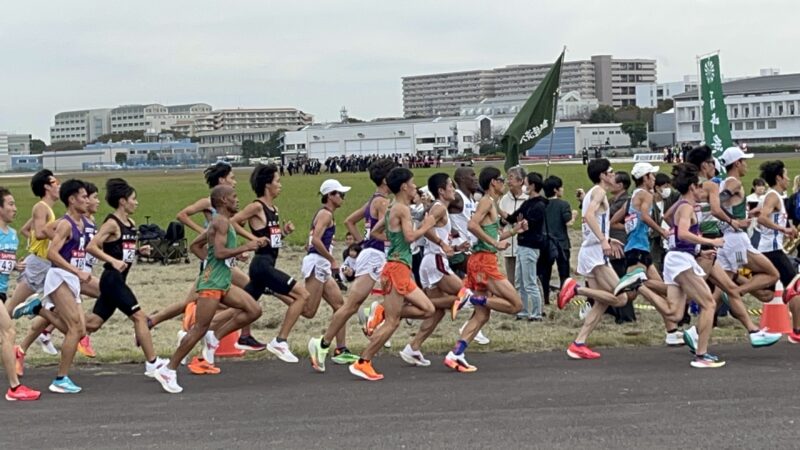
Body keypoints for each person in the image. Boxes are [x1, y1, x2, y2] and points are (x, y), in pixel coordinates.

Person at [154, 185, 263, 394]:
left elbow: (195, 246)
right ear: (223, 200)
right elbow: (220, 252)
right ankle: (169, 369)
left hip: (221, 281)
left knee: (254, 310)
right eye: (234, 196)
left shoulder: (222, 223)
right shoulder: (220, 222)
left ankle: (215, 337)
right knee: (199, 328)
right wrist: (245, 248)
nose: (237, 200)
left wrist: (214, 261)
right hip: (212, 284)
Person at [348, 167, 442, 381]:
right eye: (412, 182)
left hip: (398, 267)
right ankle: (363, 362)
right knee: (393, 323)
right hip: (397, 268)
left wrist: (394, 241)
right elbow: (410, 237)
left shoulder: (392, 208)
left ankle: (382, 311)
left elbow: (375, 232)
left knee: (427, 308)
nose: (414, 186)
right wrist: (427, 224)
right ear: (403, 186)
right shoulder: (402, 209)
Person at [306, 159, 394, 373]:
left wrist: (362, 244)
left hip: (371, 254)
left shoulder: (374, 199)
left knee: (349, 305)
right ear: (385, 179)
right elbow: (385, 233)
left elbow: (349, 221)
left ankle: (329, 343)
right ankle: (373, 315)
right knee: (353, 305)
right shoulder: (382, 202)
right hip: (376, 256)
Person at [557, 159, 646, 360]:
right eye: (611, 171)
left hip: (592, 250)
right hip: (595, 253)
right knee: (621, 297)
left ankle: (578, 343)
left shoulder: (592, 192)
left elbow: (592, 220)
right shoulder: (599, 192)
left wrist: (607, 238)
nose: (614, 175)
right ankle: (575, 289)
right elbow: (588, 216)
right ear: (603, 175)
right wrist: (604, 241)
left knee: (602, 301)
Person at [83, 178, 167, 377]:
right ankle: (152, 363)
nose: (136, 203)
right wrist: (111, 261)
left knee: (93, 324)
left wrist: (139, 251)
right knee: (139, 317)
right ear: (122, 201)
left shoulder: (131, 223)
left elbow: (123, 250)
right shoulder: (112, 223)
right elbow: (92, 246)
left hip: (119, 279)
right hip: (112, 279)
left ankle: (47, 313)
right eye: (133, 199)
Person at [446, 166, 526, 372]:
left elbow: (493, 237)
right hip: (484, 262)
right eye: (502, 179)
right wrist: (495, 243)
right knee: (516, 305)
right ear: (493, 182)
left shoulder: (490, 203)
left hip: (479, 260)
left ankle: (456, 354)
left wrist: (515, 231)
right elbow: (472, 226)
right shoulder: (487, 202)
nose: (505, 182)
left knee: (482, 316)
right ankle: (471, 298)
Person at [232, 164, 310, 363]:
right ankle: (280, 341)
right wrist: (251, 239)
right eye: (277, 181)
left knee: (242, 310)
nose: (280, 185)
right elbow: (232, 222)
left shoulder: (274, 209)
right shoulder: (257, 206)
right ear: (267, 185)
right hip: (261, 265)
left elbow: (270, 240)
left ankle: (210, 334)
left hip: (267, 264)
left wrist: (283, 233)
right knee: (302, 295)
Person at [399, 173, 468, 366]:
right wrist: (441, 243)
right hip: (435, 261)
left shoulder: (441, 208)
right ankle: (402, 308)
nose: (453, 189)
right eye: (450, 186)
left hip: (432, 261)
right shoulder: (439, 208)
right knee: (464, 294)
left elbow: (437, 234)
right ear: (441, 191)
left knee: (436, 312)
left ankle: (413, 347)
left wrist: (453, 247)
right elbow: (424, 227)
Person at [661, 164, 725, 367]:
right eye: (699, 188)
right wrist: (710, 242)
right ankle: (701, 354)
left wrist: (698, 251)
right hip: (680, 261)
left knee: (675, 314)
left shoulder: (681, 205)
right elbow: (682, 233)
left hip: (677, 257)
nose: (702, 192)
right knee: (709, 304)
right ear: (692, 188)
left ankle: (641, 285)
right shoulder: (687, 206)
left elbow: (669, 219)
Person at [614, 162, 682, 346]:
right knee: (631, 293)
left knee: (664, 290)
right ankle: (587, 294)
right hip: (637, 248)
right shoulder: (646, 194)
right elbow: (644, 216)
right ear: (644, 178)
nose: (654, 179)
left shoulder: (633, 197)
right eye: (651, 176)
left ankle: (672, 332)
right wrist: (661, 230)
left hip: (640, 247)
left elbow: (614, 221)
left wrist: (632, 228)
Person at [5, 170, 61, 376]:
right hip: (38, 265)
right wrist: (61, 238)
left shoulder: (46, 209)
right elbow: (38, 231)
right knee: (8, 309)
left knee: (60, 308)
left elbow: (27, 231)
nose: (59, 185)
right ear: (47, 186)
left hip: (46, 264)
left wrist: (38, 243)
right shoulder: (41, 206)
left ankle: (31, 340)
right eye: (56, 181)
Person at [300, 179, 355, 367]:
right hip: (317, 264)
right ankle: (277, 288)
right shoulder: (325, 214)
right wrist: (331, 260)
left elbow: (311, 240)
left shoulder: (325, 214)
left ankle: (341, 349)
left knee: (341, 306)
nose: (343, 198)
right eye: (341, 194)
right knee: (308, 311)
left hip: (320, 264)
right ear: (330, 195)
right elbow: (315, 240)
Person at [0, 187, 41, 401]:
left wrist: (16, 266)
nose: (15, 209)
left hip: (2, 291)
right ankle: (14, 388)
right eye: (10, 204)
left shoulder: (13, 236)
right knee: (8, 333)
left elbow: (4, 263)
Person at [755, 161, 800, 343]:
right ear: (778, 178)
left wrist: (786, 231)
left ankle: (736, 286)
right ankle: (796, 331)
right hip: (771, 250)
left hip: (773, 249)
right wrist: (784, 230)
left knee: (766, 294)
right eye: (786, 175)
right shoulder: (773, 196)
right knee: (795, 287)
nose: (789, 179)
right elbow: (762, 219)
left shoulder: (777, 197)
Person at [447, 166, 490, 345]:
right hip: (459, 252)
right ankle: (471, 325)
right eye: (472, 175)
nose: (476, 178)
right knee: (485, 286)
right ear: (462, 179)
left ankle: (470, 324)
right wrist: (450, 230)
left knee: (433, 303)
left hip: (468, 250)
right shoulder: (457, 196)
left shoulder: (470, 198)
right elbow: (436, 207)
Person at [505, 172, 547, 321]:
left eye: (526, 183)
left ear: (532, 185)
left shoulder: (539, 205)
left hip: (531, 246)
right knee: (519, 281)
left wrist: (521, 225)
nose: (524, 186)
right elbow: (513, 217)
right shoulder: (528, 203)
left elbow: (526, 224)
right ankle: (523, 311)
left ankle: (536, 313)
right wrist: (496, 209)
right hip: (522, 245)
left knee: (529, 281)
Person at [538, 176, 576, 305]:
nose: (563, 189)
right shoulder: (563, 204)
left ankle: (545, 298)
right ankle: (564, 297)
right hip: (561, 243)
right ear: (556, 190)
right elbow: (569, 223)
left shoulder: (542, 205)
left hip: (545, 243)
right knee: (564, 272)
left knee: (545, 272)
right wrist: (574, 214)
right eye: (561, 187)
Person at [498, 166, 528, 314]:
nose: (508, 180)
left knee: (526, 278)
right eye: (507, 177)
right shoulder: (504, 200)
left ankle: (526, 304)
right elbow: (499, 221)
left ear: (521, 181)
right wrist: (504, 221)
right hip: (508, 244)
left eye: (511, 177)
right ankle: (514, 305)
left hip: (524, 244)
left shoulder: (528, 199)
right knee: (511, 278)